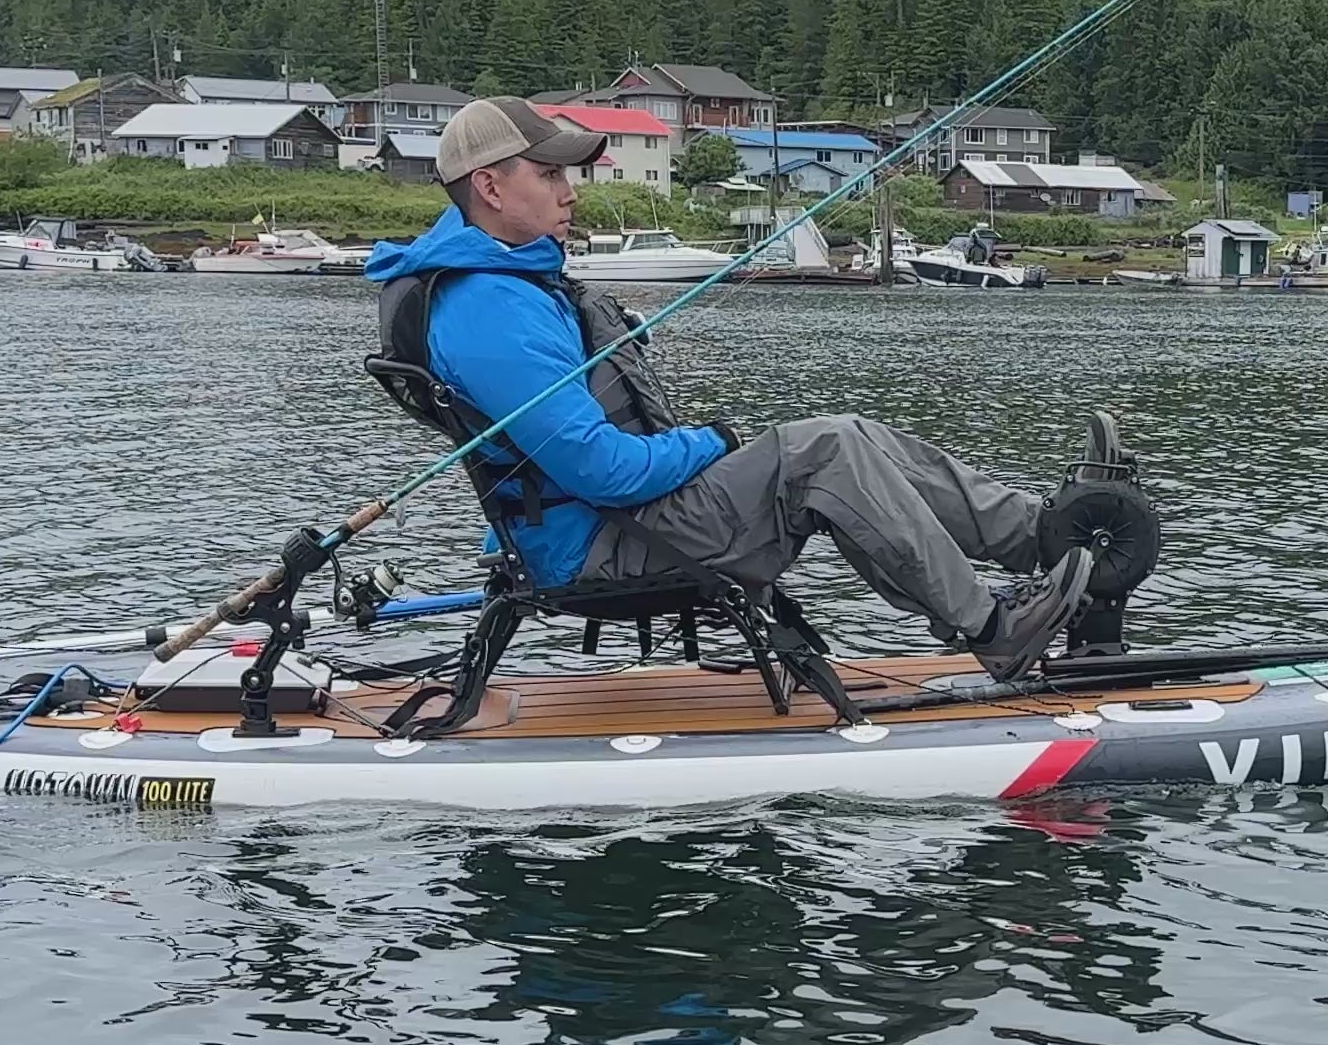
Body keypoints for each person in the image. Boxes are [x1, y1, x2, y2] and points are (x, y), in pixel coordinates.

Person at [361, 97, 1110, 678]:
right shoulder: (489, 310)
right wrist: (712, 440)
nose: (572, 192)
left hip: (618, 521)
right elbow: (603, 471)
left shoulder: (502, 281)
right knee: (826, 453)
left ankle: (1040, 537)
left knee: (852, 434)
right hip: (608, 545)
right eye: (550, 174)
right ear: (489, 186)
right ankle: (992, 631)